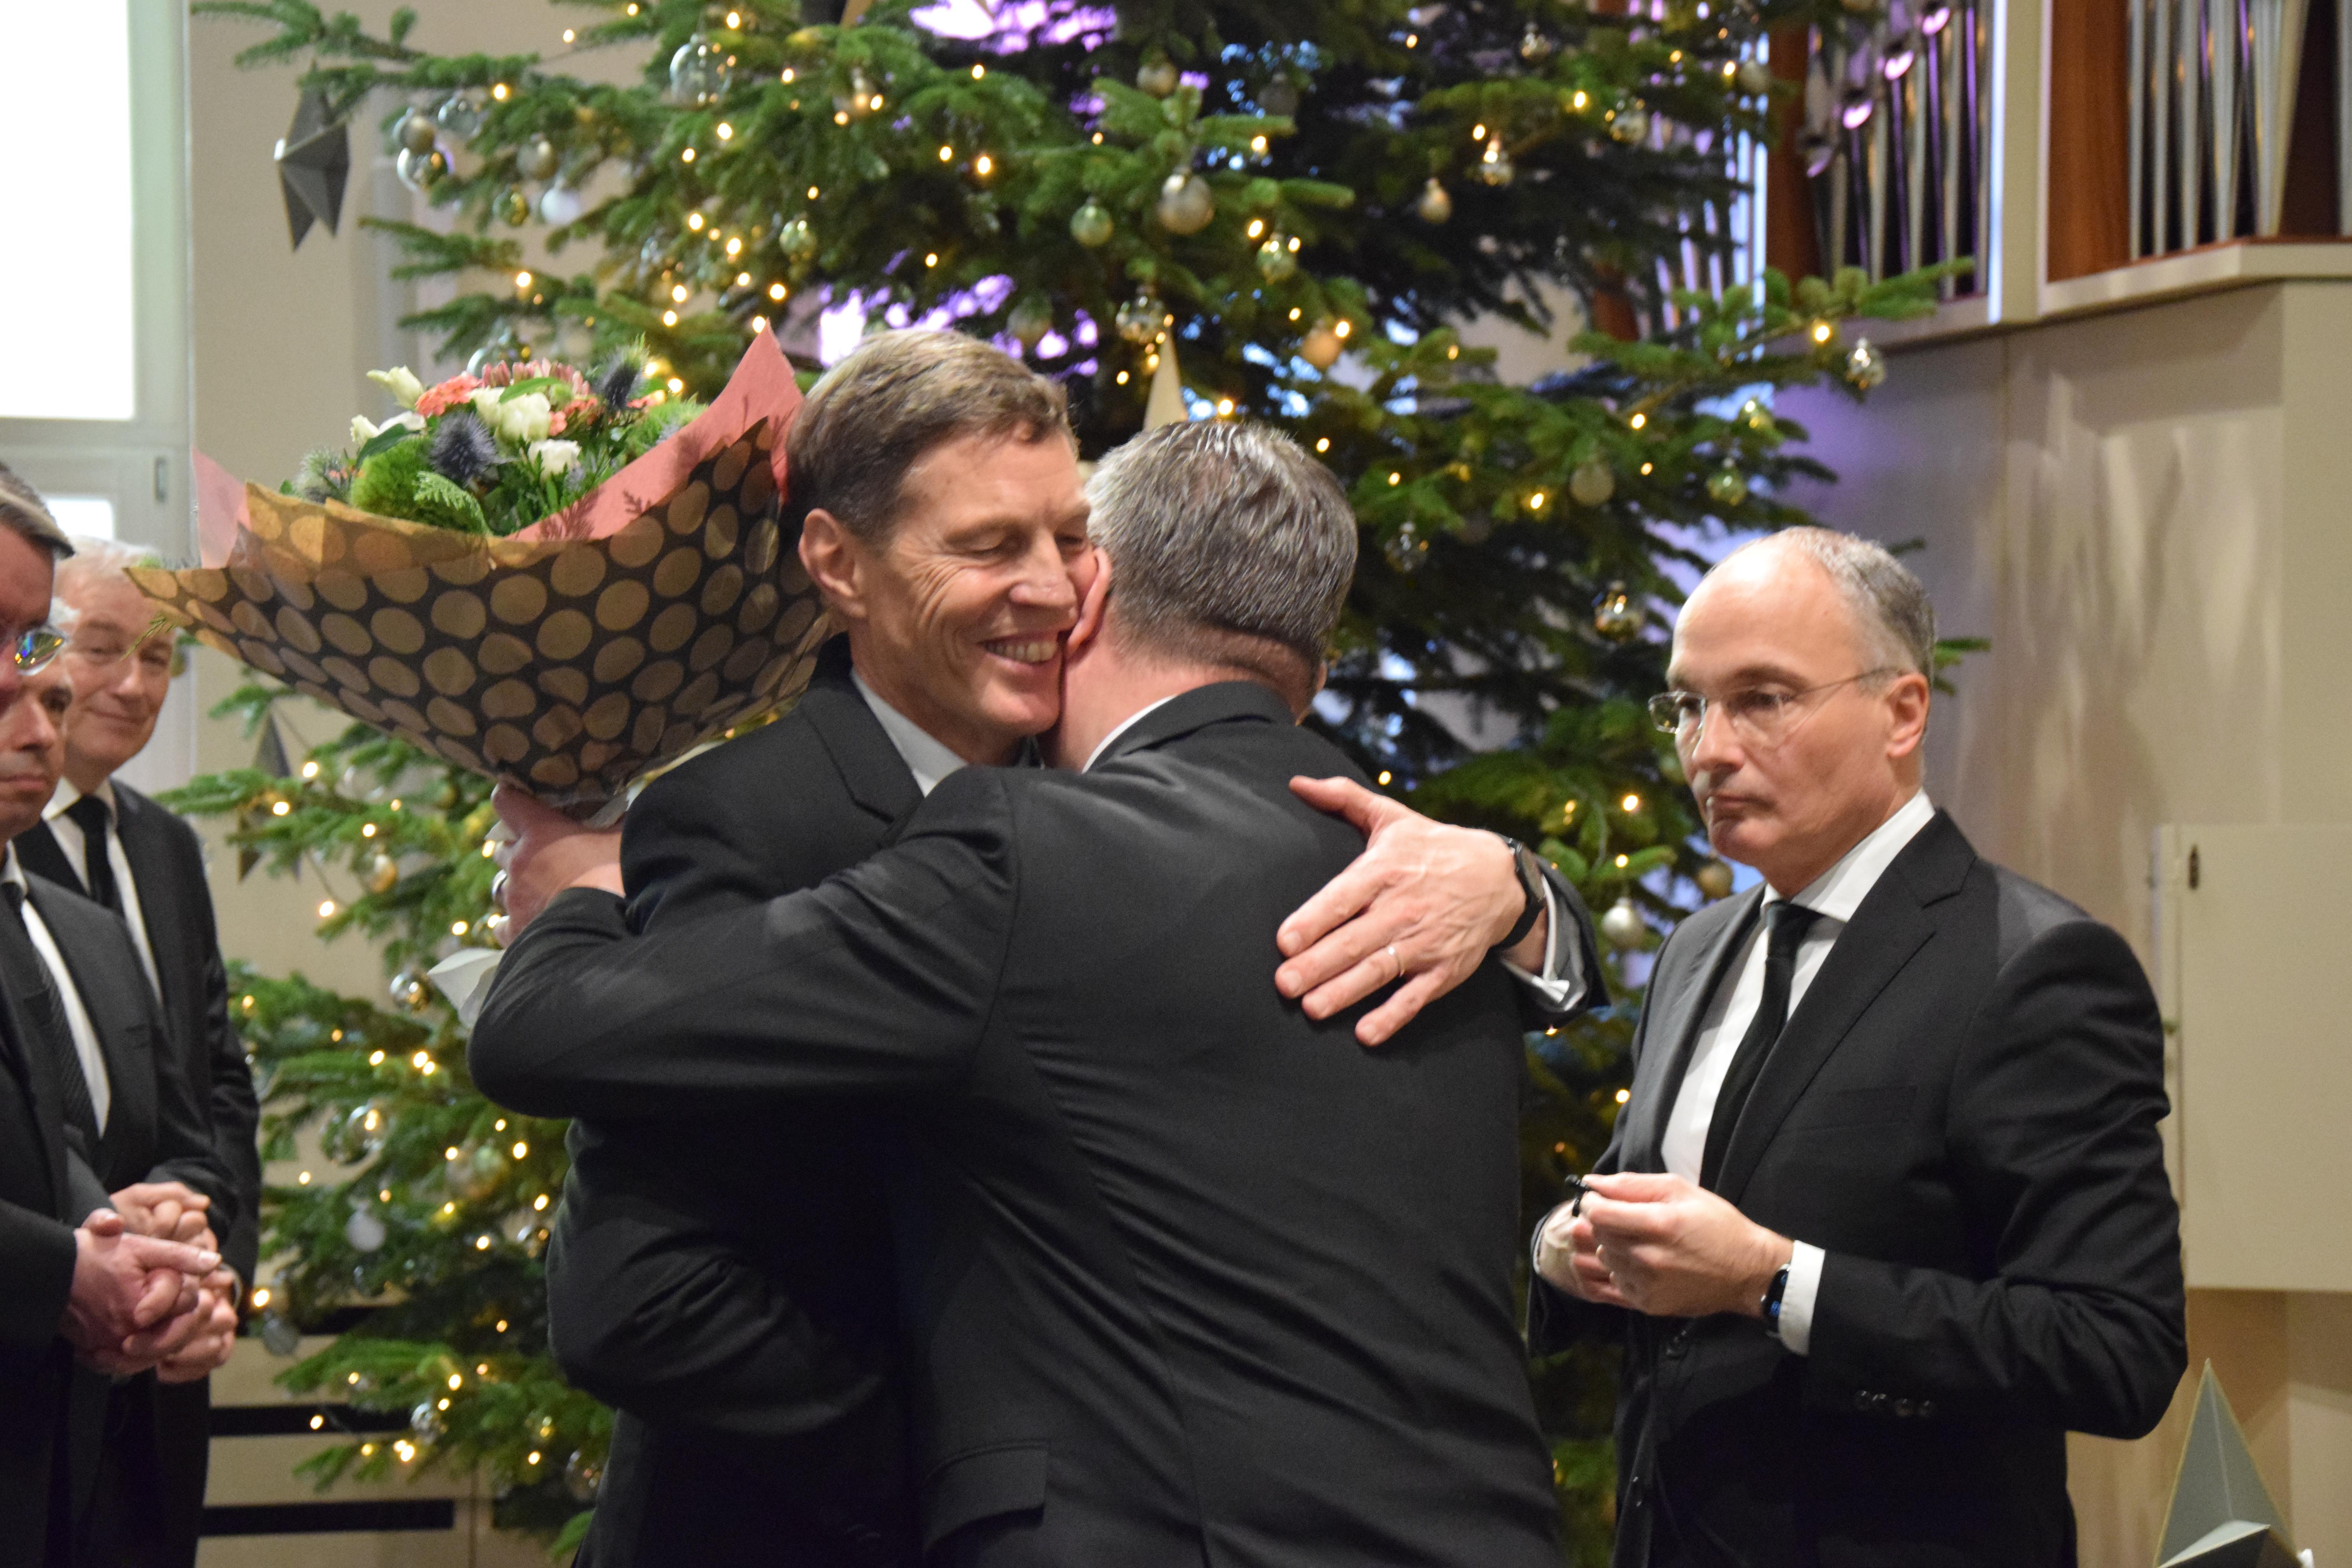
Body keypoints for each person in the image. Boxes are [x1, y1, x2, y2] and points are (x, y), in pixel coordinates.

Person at [523, 331, 1597, 1566]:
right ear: (840, 565)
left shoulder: (1331, 853)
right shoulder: (746, 816)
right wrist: (965, 1478)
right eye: (989, 545)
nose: (1052, 587)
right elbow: (637, 1298)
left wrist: (1520, 890)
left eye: (1072, 539)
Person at [1528, 528, 2185, 1566]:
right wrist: (1564, 1248)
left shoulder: (2033, 967)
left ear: (1902, 713)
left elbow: (2114, 1350)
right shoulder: (1698, 949)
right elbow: (1640, 1200)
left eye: (1763, 699)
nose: (1709, 750)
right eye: (1688, 705)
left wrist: (1773, 1281)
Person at [15, 536, 261, 1567]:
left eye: (157, 656)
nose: (132, 683)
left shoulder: (165, 847)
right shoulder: (9, 845)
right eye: (102, 648)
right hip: (28, 1361)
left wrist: (204, 1275)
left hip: (159, 1367)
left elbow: (215, 1089)